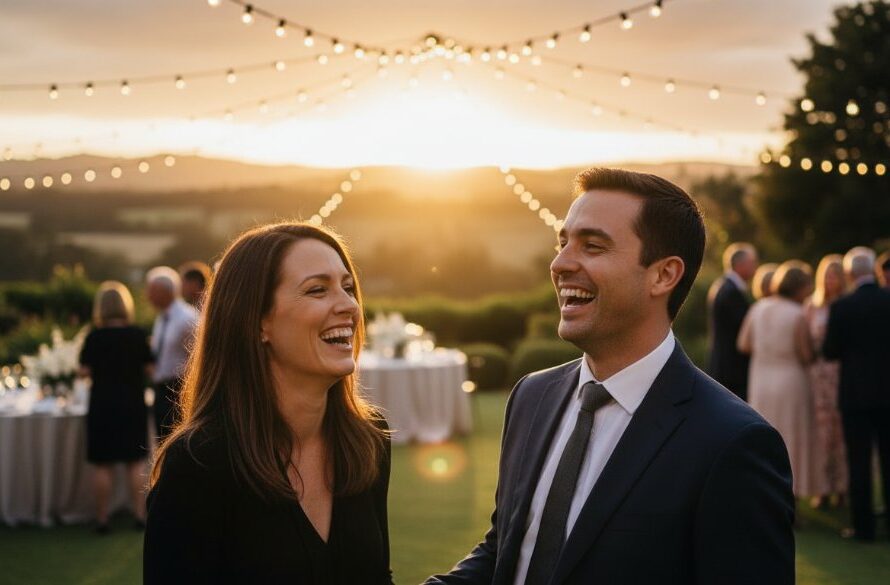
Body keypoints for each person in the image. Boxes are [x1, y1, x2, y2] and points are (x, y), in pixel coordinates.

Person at [427, 168, 794, 585]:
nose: (560, 263)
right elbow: (506, 549)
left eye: (593, 246)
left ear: (663, 275)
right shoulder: (532, 396)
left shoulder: (732, 442)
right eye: (563, 243)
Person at [144, 222, 392, 584]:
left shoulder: (368, 442)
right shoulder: (199, 463)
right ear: (258, 322)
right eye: (318, 290)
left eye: (348, 287)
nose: (349, 306)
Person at [823, 246, 890, 542]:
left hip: (855, 395)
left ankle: (864, 529)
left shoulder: (842, 307)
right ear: (875, 270)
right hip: (888, 394)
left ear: (850, 273)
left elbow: (830, 351)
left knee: (858, 462)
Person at [738, 260, 818, 505]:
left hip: (761, 378)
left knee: (762, 435)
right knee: (792, 438)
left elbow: (743, 344)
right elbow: (806, 355)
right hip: (790, 380)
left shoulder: (758, 308)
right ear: (799, 287)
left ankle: (762, 490)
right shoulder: (797, 314)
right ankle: (789, 498)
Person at [79, 281, 153, 533]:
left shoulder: (94, 336)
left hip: (102, 403)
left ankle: (102, 519)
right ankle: (140, 516)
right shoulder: (137, 334)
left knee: (102, 463)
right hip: (132, 402)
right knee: (136, 461)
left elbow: (83, 370)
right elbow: (150, 369)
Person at [803, 255, 847, 508]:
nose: (831, 280)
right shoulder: (812, 306)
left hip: (841, 372)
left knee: (841, 433)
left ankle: (843, 486)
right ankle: (823, 488)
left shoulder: (846, 304)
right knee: (821, 433)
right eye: (828, 275)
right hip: (818, 374)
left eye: (835, 275)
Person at [145, 266, 198, 440]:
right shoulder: (163, 317)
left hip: (178, 390)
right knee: (161, 441)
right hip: (161, 390)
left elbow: (197, 357)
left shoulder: (187, 318)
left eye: (151, 290)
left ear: (164, 291)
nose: (148, 296)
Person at [707, 242, 758, 401]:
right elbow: (742, 328)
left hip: (722, 363)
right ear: (740, 265)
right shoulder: (731, 292)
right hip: (731, 368)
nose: (755, 267)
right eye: (752, 263)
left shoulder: (722, 285)